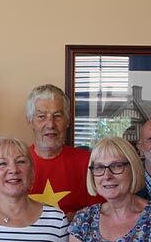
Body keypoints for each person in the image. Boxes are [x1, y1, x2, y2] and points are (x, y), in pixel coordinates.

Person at [26, 84, 102, 220]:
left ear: (67, 120)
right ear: (30, 121)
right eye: (42, 116)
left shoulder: (89, 162)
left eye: (57, 116)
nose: (50, 124)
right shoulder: (17, 164)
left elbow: (102, 215)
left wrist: (77, 219)